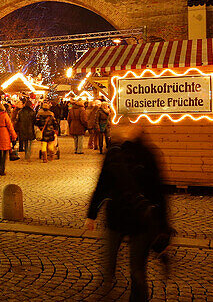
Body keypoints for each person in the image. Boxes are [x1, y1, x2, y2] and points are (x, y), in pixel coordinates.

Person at [85, 121, 169, 302]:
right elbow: (102, 184)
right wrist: (91, 213)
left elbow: (158, 192)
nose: (117, 130)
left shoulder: (147, 155)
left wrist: (163, 227)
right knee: (109, 262)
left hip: (140, 221)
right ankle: (106, 290)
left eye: (124, 126)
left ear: (136, 129)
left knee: (137, 270)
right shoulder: (114, 153)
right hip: (117, 215)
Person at [0, 102, 17, 176]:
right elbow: (10, 126)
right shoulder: (5, 115)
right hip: (4, 133)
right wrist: (14, 135)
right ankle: (2, 169)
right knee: (5, 153)